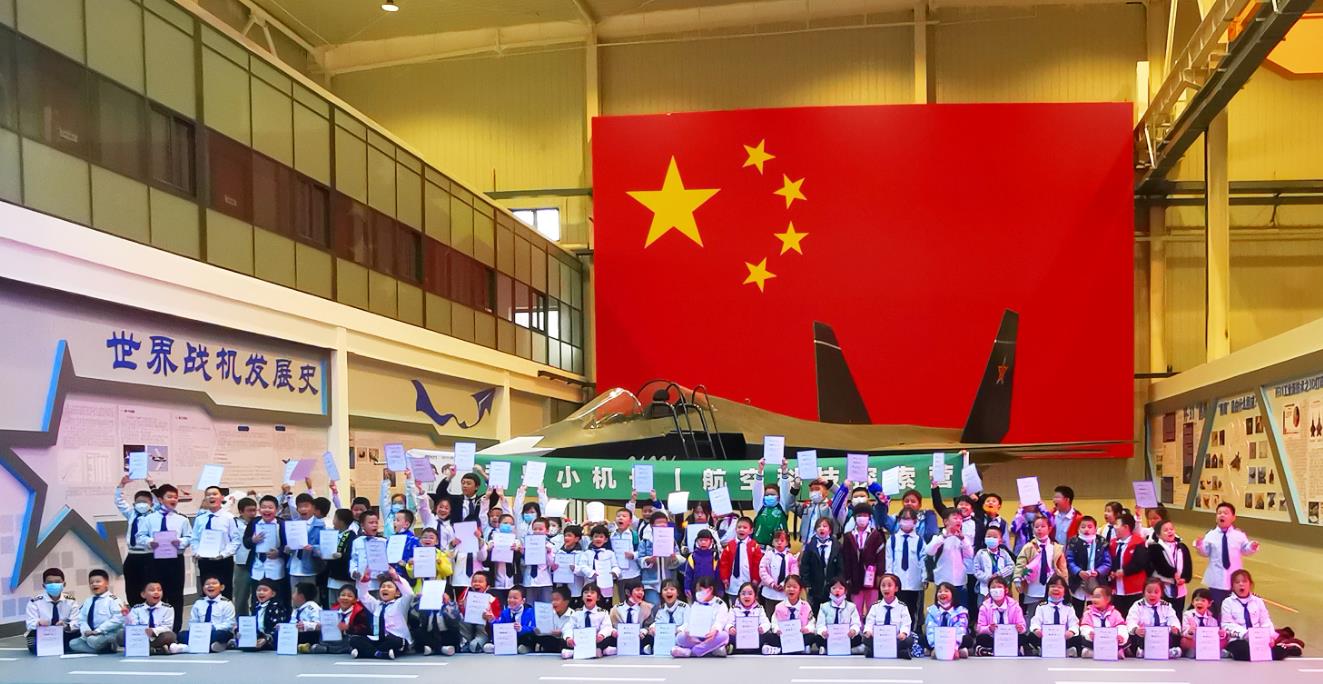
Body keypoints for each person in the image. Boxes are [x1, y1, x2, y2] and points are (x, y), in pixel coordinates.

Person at [139, 483, 190, 632]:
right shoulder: (149, 519)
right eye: (170, 497)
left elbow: (189, 537)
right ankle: (154, 628)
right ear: (160, 499)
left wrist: (180, 542)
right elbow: (140, 536)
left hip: (175, 561)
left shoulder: (182, 519)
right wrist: (150, 542)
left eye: (175, 497)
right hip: (155, 560)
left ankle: (174, 630)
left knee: (176, 595)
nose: (173, 500)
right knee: (155, 593)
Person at [1221, 569, 1302, 660]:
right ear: (1232, 586)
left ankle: (1287, 647)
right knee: (1243, 651)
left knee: (1279, 652)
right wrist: (1245, 634)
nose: (1241, 584)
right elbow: (1226, 624)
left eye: (1244, 581)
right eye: (1237, 582)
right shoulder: (1227, 602)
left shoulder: (1258, 601)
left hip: (1258, 639)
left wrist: (1269, 637)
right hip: (1238, 639)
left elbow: (1265, 621)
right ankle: (1232, 652)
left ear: (1250, 584)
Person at [1195, 502, 1258, 619]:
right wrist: (1199, 546)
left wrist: (1252, 547)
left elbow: (1245, 549)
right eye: (1219, 513)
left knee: (1235, 610)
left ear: (1233, 517)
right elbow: (1205, 552)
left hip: (1234, 580)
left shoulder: (1239, 535)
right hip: (1216, 580)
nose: (1222, 515)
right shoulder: (1210, 535)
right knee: (1217, 610)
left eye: (1225, 513)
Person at [351, 567, 415, 659]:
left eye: (389, 587)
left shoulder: (400, 604)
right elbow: (363, 596)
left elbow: (409, 594)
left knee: (395, 642)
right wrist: (364, 581)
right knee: (354, 639)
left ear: (397, 593)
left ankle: (365, 653)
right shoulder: (376, 605)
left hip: (396, 638)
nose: (385, 589)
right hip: (378, 639)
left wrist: (395, 576)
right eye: (383, 587)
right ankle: (380, 653)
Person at [115, 475, 157, 602]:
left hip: (149, 556)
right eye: (138, 502)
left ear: (151, 504)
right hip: (132, 556)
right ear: (134, 504)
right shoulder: (131, 513)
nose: (141, 504)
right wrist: (121, 485)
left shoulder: (155, 515)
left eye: (145, 502)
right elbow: (119, 501)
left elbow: (159, 501)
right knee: (132, 589)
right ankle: (135, 609)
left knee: (149, 588)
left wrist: (151, 484)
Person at [192, 485, 238, 599]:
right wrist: (196, 551)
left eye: (214, 494)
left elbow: (236, 540)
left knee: (225, 593)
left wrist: (223, 554)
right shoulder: (200, 519)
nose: (211, 497)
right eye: (208, 495)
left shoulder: (229, 518)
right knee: (207, 592)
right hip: (204, 560)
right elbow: (195, 539)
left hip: (223, 561)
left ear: (222, 497)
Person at [885, 508, 925, 638]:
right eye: (903, 519)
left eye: (909, 519)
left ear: (915, 522)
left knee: (912, 611)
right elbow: (889, 560)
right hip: (897, 583)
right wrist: (889, 579)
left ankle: (911, 637)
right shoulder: (892, 540)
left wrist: (924, 578)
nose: (906, 522)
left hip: (914, 583)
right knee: (897, 611)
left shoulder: (919, 541)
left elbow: (923, 561)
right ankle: (896, 637)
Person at [1015, 514, 1067, 614]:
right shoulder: (1028, 547)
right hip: (1032, 587)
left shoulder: (1056, 548)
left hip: (1051, 587)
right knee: (1032, 613)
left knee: (1050, 613)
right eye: (1036, 527)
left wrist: (1065, 583)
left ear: (1049, 528)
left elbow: (1063, 568)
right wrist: (1017, 578)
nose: (1039, 529)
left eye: (1043, 526)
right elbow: (1020, 563)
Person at [243, 495, 289, 607]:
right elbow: (245, 542)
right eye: (264, 507)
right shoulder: (254, 523)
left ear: (276, 510)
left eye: (270, 507)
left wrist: (279, 552)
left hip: (276, 567)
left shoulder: (282, 524)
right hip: (257, 567)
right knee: (256, 599)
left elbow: (288, 545)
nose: (267, 510)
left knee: (278, 599)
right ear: (259, 509)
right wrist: (252, 540)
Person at [172, 575, 237, 654]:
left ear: (222, 587)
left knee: (219, 635)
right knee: (181, 635)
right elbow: (193, 621)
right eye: (207, 584)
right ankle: (212, 646)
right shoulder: (198, 603)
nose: (210, 586)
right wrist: (197, 629)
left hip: (217, 631)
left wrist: (213, 627)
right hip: (201, 632)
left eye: (214, 583)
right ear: (203, 588)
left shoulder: (227, 603)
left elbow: (230, 623)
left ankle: (188, 647)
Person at [842, 504, 885, 617]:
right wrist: (847, 578)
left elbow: (881, 556)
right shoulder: (848, 536)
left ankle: (871, 628)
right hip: (854, 578)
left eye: (865, 515)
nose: (862, 518)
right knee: (856, 610)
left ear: (869, 517)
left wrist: (879, 575)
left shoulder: (876, 535)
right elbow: (845, 558)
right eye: (859, 515)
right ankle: (858, 627)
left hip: (872, 578)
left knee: (873, 609)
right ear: (855, 518)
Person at [672, 575, 729, 657]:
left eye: (700, 590)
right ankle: (711, 650)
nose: (697, 593)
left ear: (710, 589)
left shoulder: (720, 604)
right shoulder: (695, 604)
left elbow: (720, 621)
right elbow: (689, 622)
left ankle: (691, 652)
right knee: (679, 637)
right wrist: (685, 631)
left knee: (724, 636)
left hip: (711, 637)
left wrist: (715, 630)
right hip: (695, 637)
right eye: (696, 591)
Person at [1124, 577, 1181, 658]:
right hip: (1144, 636)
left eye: (1156, 592)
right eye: (1149, 592)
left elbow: (1173, 618)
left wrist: (1174, 627)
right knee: (1132, 637)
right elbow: (1131, 620)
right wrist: (1136, 629)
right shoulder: (1138, 605)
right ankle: (1142, 651)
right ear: (1144, 593)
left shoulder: (1167, 606)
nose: (1152, 595)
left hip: (1162, 638)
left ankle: (1167, 651)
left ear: (1161, 593)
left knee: (1175, 636)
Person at [69, 569, 123, 654]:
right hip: (90, 635)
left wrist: (98, 631)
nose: (94, 584)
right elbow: (82, 619)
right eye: (91, 583)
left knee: (94, 641)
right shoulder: (88, 601)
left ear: (107, 583)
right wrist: (86, 631)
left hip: (106, 633)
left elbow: (118, 618)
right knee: (73, 643)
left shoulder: (113, 599)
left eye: (98, 581)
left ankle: (105, 645)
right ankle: (103, 650)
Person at [925, 511, 973, 609]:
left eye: (960, 519)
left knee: (960, 610)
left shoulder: (963, 538)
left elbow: (970, 555)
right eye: (955, 518)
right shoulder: (937, 536)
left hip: (959, 581)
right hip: (942, 581)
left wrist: (963, 539)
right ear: (946, 521)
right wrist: (943, 537)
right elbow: (929, 551)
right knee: (942, 610)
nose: (958, 521)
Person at [25, 567, 78, 654]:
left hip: (63, 632)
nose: (54, 585)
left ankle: (61, 645)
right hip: (43, 633)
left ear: (64, 584)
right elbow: (30, 623)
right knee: (33, 645)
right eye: (49, 582)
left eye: (57, 582)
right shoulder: (35, 602)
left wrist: (66, 626)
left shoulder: (71, 601)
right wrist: (38, 623)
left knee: (77, 635)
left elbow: (76, 621)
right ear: (44, 585)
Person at [1066, 515, 1111, 616]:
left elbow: (1107, 563)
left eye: (1090, 527)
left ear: (1095, 528)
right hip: (1078, 582)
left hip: (1096, 582)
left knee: (1095, 610)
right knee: (1076, 611)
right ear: (1078, 528)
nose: (1086, 529)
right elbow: (1069, 560)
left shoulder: (1102, 542)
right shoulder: (1073, 542)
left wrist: (1098, 572)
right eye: (1083, 527)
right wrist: (1078, 571)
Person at [1027, 576, 1083, 657]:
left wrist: (1071, 632)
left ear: (1065, 591)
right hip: (1046, 638)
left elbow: (1074, 623)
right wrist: (1037, 630)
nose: (1056, 589)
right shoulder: (1041, 606)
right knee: (1031, 636)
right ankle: (1041, 649)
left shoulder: (1069, 607)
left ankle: (1068, 650)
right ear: (1047, 590)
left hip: (1064, 638)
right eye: (1053, 586)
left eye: (1059, 587)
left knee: (1078, 638)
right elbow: (1035, 621)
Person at [862, 573, 915, 658]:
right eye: (883, 586)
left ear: (896, 588)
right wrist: (868, 631)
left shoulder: (902, 607)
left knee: (909, 640)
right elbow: (869, 622)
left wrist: (903, 633)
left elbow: (906, 623)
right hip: (879, 639)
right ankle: (900, 653)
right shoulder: (875, 606)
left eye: (889, 585)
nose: (886, 588)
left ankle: (875, 652)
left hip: (896, 639)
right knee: (865, 639)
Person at [974, 576, 1028, 656]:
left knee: (1023, 638)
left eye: (999, 587)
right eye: (993, 588)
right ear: (989, 590)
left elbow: (1023, 626)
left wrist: (1020, 628)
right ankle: (998, 650)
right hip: (992, 637)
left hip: (1010, 638)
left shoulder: (1015, 606)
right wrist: (989, 628)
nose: (996, 590)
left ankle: (989, 651)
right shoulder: (984, 607)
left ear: (1006, 590)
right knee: (981, 638)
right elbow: (979, 628)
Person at [1148, 519, 1193, 616]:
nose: (1169, 531)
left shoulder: (1182, 546)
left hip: (1180, 586)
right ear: (1158, 535)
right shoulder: (1155, 548)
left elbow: (1188, 565)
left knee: (1178, 613)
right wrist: (1173, 574)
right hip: (1163, 586)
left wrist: (1185, 578)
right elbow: (1160, 565)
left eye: (1171, 529)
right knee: (1162, 614)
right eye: (1165, 530)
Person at [765, 574, 818, 655]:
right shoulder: (779, 607)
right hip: (784, 637)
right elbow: (774, 622)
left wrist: (807, 629)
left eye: (794, 587)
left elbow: (812, 623)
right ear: (784, 589)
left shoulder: (805, 606)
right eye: (788, 587)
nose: (791, 589)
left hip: (800, 636)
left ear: (800, 590)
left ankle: (782, 649)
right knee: (769, 636)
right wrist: (777, 630)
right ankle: (800, 648)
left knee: (812, 637)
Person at [120, 580, 176, 655]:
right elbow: (132, 626)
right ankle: (153, 650)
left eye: (159, 590)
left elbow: (167, 627)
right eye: (152, 590)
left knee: (170, 636)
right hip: (140, 638)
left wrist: (153, 631)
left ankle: (145, 649)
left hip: (156, 638)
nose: (156, 592)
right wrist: (127, 615)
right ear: (143, 594)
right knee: (121, 635)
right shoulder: (137, 608)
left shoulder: (168, 608)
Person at [312, 585, 372, 655]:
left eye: (349, 596)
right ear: (338, 598)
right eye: (343, 595)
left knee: (353, 640)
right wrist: (323, 627)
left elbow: (365, 630)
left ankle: (327, 649)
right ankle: (333, 648)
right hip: (336, 639)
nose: (345, 598)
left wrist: (348, 628)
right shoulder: (333, 611)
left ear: (355, 600)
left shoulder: (359, 611)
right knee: (322, 637)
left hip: (350, 637)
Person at [287, 493, 328, 595]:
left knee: (311, 598)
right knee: (295, 597)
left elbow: (324, 547)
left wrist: (313, 548)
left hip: (310, 568)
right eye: (300, 506)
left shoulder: (320, 525)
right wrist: (288, 548)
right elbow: (288, 547)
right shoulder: (293, 524)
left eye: (306, 506)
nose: (303, 509)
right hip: (294, 567)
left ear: (313, 508)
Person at [1108, 513, 1148, 615]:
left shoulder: (1138, 542)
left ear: (1126, 527)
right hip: (1116, 589)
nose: (1114, 527)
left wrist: (1124, 571)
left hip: (1134, 588)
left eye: (1117, 524)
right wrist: (1111, 572)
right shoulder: (1113, 543)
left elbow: (1140, 563)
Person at [799, 517, 842, 611]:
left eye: (825, 526)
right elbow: (805, 566)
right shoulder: (810, 546)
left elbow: (841, 567)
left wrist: (839, 583)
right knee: (815, 610)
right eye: (819, 526)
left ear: (830, 530)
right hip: (815, 587)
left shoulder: (837, 546)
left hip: (832, 586)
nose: (821, 528)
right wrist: (807, 584)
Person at [639, 512, 682, 604]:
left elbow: (679, 556)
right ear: (651, 525)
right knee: (654, 605)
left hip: (668, 580)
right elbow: (639, 559)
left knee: (669, 605)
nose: (662, 525)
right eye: (658, 523)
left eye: (664, 523)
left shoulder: (672, 540)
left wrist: (674, 558)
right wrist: (648, 560)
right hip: (651, 582)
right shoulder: (645, 541)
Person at [815, 577, 864, 655]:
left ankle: (850, 649)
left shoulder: (851, 607)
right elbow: (820, 624)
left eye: (840, 588)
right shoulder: (824, 607)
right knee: (818, 638)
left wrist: (853, 630)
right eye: (834, 588)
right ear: (830, 590)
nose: (837, 590)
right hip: (829, 636)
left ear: (845, 591)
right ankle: (826, 649)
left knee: (858, 638)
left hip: (846, 636)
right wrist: (823, 631)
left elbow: (856, 623)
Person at [719, 516, 763, 604]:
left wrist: (756, 578)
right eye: (739, 527)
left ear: (751, 530)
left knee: (748, 603)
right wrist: (725, 578)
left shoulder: (754, 545)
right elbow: (724, 563)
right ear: (735, 529)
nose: (741, 529)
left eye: (745, 527)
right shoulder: (730, 545)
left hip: (748, 581)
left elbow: (757, 564)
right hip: (733, 583)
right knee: (734, 604)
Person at [561, 582, 610, 659]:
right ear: (582, 597)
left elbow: (607, 627)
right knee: (562, 640)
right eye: (586, 592)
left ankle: (574, 653)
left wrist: (601, 635)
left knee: (608, 639)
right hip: (580, 642)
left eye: (592, 593)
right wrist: (568, 638)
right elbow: (568, 627)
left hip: (596, 641)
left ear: (598, 598)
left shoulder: (603, 613)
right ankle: (594, 652)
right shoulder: (576, 613)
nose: (588, 595)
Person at [923, 582, 971, 659]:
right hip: (938, 641)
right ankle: (934, 650)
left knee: (967, 639)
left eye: (946, 591)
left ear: (953, 594)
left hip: (954, 641)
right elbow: (930, 630)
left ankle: (958, 650)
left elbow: (960, 630)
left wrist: (954, 648)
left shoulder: (960, 611)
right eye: (940, 591)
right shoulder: (932, 611)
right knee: (923, 638)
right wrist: (936, 646)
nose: (942, 593)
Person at [751, 458, 793, 547]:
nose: (769, 496)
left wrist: (784, 470)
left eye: (773, 494)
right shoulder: (760, 507)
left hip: (779, 547)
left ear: (779, 497)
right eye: (767, 495)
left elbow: (785, 489)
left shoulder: (783, 507)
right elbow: (757, 490)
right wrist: (760, 470)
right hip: (760, 547)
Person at [604, 581, 654, 655]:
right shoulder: (616, 609)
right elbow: (611, 626)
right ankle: (614, 649)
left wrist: (643, 632)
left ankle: (643, 648)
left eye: (642, 590)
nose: (641, 593)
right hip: (621, 638)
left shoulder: (647, 607)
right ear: (627, 592)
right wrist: (614, 632)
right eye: (637, 590)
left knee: (650, 638)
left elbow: (648, 625)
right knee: (607, 638)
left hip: (639, 638)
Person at [457, 571, 501, 653]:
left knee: (474, 646)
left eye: (480, 581)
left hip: (483, 631)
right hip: (467, 630)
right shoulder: (465, 596)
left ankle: (478, 644)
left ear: (487, 586)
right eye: (474, 581)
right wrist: (461, 606)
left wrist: (490, 617)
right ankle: (465, 641)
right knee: (462, 619)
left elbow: (497, 619)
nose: (477, 584)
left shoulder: (492, 599)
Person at [793, 477, 846, 545]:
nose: (814, 492)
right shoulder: (806, 506)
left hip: (828, 544)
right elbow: (788, 504)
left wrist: (829, 484)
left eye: (817, 489)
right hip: (807, 544)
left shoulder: (832, 505)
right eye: (812, 490)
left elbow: (841, 495)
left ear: (826, 492)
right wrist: (795, 488)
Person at [1079, 585, 1127, 659]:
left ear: (1108, 599)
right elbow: (1084, 627)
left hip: (1111, 643)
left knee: (1123, 644)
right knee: (1085, 645)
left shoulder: (1115, 613)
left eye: (1098, 597)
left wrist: (1121, 636)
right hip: (1094, 643)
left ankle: (1115, 652)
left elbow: (1121, 627)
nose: (1094, 599)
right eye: (1093, 597)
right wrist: (1089, 634)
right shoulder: (1088, 613)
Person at [972, 526, 1015, 608]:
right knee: (983, 608)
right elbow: (976, 570)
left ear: (1000, 540)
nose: (991, 539)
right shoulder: (980, 553)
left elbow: (1011, 566)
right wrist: (988, 578)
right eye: (988, 536)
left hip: (1001, 588)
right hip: (984, 589)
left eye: (994, 537)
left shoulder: (1004, 553)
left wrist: (999, 574)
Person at [580, 524, 622, 607]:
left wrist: (614, 572)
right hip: (591, 583)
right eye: (596, 536)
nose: (598, 539)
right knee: (591, 605)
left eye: (601, 537)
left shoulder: (610, 553)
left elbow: (615, 566)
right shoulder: (587, 553)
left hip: (606, 584)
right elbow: (582, 566)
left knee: (605, 606)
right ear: (591, 538)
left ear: (605, 539)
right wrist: (591, 573)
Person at [726, 581, 771, 654]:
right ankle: (731, 648)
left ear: (755, 596)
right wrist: (730, 628)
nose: (746, 596)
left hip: (754, 637)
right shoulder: (734, 608)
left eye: (750, 594)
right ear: (739, 596)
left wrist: (762, 628)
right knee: (726, 635)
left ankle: (763, 648)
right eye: (743, 594)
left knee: (768, 635)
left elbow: (766, 623)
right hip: (739, 637)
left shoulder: (759, 608)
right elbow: (728, 623)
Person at [324, 509, 358, 606]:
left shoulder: (352, 536)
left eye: (335, 518)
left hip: (344, 578)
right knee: (332, 605)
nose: (333, 521)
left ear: (341, 521)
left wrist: (342, 555)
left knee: (345, 604)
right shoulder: (332, 534)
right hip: (332, 577)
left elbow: (352, 555)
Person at [759, 528, 798, 613]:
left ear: (787, 543)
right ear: (772, 542)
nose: (779, 543)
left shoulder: (791, 558)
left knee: (783, 614)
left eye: (782, 541)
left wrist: (784, 584)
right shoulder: (768, 556)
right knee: (769, 613)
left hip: (785, 593)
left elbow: (794, 573)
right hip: (770, 592)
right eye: (776, 541)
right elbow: (763, 570)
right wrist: (772, 583)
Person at [232, 497, 258, 614]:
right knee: (241, 596)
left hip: (257, 562)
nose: (252, 513)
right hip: (242, 563)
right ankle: (241, 620)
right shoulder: (234, 524)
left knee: (258, 595)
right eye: (249, 511)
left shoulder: (259, 523)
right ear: (241, 511)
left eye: (254, 510)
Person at [1180, 587, 1223, 658]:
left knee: (1223, 639)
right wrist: (1190, 631)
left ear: (1209, 603)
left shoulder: (1212, 619)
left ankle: (1210, 651)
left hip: (1207, 643)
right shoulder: (1187, 615)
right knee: (1184, 641)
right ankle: (1193, 651)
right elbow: (1183, 632)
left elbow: (1214, 636)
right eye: (1197, 600)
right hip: (1193, 641)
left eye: (1203, 600)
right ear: (1192, 602)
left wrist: (1220, 634)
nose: (1199, 602)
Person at [494, 586, 539, 654]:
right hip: (508, 641)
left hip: (525, 639)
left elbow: (534, 629)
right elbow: (499, 627)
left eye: (515, 598)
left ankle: (527, 648)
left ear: (523, 601)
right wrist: (492, 620)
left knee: (525, 641)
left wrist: (521, 629)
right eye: (509, 597)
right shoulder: (505, 612)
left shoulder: (530, 612)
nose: (511, 600)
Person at [531, 587, 575, 655]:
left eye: (556, 600)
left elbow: (571, 631)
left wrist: (561, 633)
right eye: (552, 600)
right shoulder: (548, 613)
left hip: (564, 644)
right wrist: (538, 630)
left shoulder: (573, 615)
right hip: (549, 641)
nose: (553, 603)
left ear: (566, 602)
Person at [248, 579, 289, 651]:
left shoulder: (276, 607)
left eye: (265, 590)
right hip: (257, 637)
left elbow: (278, 629)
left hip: (271, 639)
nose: (261, 592)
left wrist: (266, 638)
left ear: (273, 594)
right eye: (259, 590)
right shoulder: (255, 607)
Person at [610, 508, 642, 599]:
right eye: (618, 516)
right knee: (623, 600)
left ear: (630, 521)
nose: (620, 518)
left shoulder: (634, 535)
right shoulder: (611, 535)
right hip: (619, 575)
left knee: (635, 599)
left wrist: (634, 555)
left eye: (624, 516)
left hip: (633, 574)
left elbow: (641, 552)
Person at [284, 581, 323, 653]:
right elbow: (292, 623)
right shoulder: (296, 609)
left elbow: (320, 625)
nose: (292, 596)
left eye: (294, 593)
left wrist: (306, 625)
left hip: (310, 634)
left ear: (301, 596)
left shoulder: (313, 608)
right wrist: (284, 627)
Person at [684, 528, 722, 600]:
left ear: (711, 541)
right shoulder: (692, 556)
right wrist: (687, 587)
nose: (703, 542)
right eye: (701, 540)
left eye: (706, 540)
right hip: (696, 589)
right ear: (697, 541)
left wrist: (720, 589)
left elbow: (718, 574)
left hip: (712, 589)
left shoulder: (715, 556)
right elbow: (688, 574)